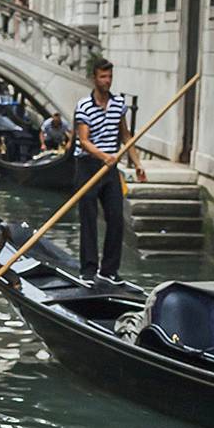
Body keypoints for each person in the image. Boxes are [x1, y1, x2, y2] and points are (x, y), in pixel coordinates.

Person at [73, 58, 144, 286]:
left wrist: (138, 163)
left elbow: (126, 136)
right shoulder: (84, 106)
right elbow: (83, 141)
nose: (107, 81)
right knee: (89, 219)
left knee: (116, 217)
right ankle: (88, 271)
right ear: (95, 78)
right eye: (103, 77)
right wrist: (104, 156)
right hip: (88, 165)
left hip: (110, 167)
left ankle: (109, 270)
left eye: (110, 77)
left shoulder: (118, 105)